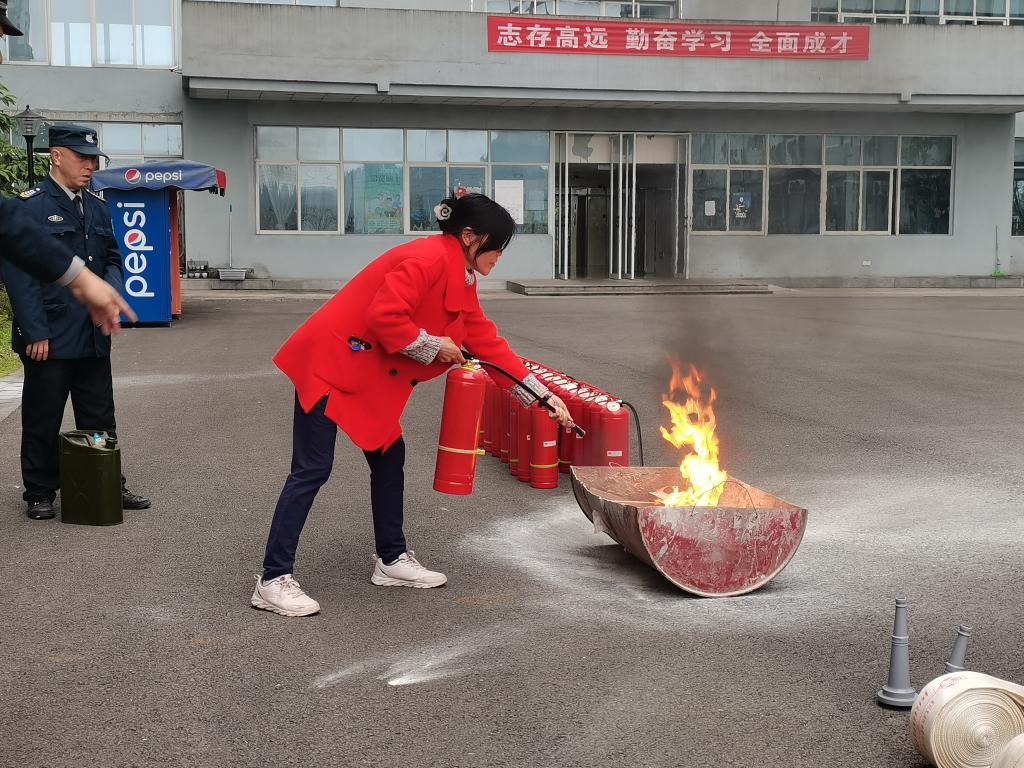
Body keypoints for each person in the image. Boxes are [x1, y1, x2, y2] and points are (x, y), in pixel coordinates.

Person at [252, 191, 572, 617]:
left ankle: (391, 559)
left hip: (363, 376)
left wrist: (541, 396)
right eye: (497, 246)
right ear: (470, 237)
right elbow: (385, 317)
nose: (500, 256)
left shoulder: (461, 275)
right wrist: (435, 345)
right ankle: (272, 579)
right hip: (329, 364)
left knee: (389, 457)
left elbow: (484, 340)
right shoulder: (427, 258)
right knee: (312, 468)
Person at [0, 124, 150, 520]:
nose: (89, 166)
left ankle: (106, 481)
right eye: (82, 158)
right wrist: (34, 329)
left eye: (93, 160)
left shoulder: (97, 207)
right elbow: (19, 273)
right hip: (49, 335)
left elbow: (113, 258)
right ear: (56, 156)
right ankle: (39, 490)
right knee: (42, 417)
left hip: (92, 333)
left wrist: (109, 293)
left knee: (99, 416)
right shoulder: (29, 207)